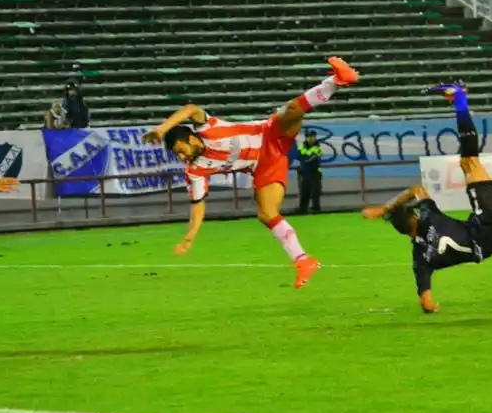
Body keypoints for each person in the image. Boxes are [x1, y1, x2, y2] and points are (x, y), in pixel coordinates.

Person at [142, 57, 358, 289]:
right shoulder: (196, 170)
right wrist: (189, 237)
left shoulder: (207, 128)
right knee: (266, 214)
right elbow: (198, 204)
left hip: (269, 133)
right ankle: (303, 261)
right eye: (178, 155)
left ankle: (336, 80)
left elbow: (191, 109)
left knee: (294, 110)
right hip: (265, 164)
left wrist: (161, 130)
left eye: (180, 150)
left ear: (190, 138)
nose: (182, 156)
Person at [362, 82, 492, 313]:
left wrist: (430, 306)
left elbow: (426, 302)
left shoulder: (420, 259)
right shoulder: (429, 217)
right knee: (469, 162)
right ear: (414, 217)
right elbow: (416, 190)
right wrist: (384, 209)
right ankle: (459, 98)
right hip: (490, 225)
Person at [297, 129, 323, 214]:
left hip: (314, 172)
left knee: (315, 192)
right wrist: (304, 161)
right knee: (304, 191)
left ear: (315, 137)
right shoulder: (302, 146)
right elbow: (299, 156)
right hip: (305, 172)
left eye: (312, 136)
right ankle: (303, 209)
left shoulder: (318, 148)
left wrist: (304, 160)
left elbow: (308, 159)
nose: (310, 138)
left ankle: (316, 208)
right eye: (308, 136)